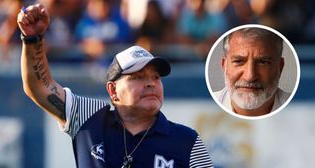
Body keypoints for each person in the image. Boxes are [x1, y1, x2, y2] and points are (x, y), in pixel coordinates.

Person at [17, 4, 214, 168]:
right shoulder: (89, 117)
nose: (150, 83)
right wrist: (33, 40)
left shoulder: (188, 142)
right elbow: (40, 88)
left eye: (155, 77)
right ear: (113, 91)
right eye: (137, 77)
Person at [214, 27, 290, 117]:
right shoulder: (206, 106)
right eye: (238, 61)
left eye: (263, 62)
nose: (250, 76)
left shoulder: (299, 107)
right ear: (224, 65)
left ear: (280, 67)